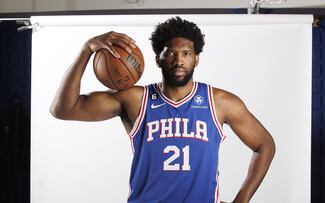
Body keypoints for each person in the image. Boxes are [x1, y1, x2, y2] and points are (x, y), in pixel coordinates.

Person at [50, 16, 275, 203]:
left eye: (186, 53)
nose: (179, 60)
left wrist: (242, 200)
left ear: (196, 59)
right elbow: (63, 109)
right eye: (170, 53)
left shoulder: (220, 102)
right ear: (158, 59)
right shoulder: (136, 99)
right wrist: (87, 49)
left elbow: (265, 145)